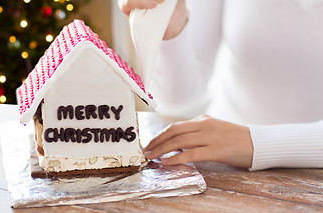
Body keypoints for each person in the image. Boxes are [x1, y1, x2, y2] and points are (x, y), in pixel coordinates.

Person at [118, 0, 323, 170]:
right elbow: (179, 99)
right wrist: (168, 30)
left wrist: (252, 142)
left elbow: (246, 142)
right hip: (221, 161)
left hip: (305, 178)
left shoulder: (242, 141)